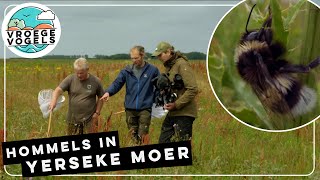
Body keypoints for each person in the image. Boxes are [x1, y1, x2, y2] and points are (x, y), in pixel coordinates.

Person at [100, 45, 160, 145]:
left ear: (142, 55)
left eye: (136, 58)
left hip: (145, 108)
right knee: (133, 135)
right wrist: (108, 92)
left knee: (142, 135)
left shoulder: (152, 70)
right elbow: (117, 83)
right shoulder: (127, 71)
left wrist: (154, 100)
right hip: (130, 108)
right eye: (132, 58)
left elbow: (159, 87)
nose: (134, 60)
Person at [152, 42, 198, 143]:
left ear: (168, 52)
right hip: (173, 112)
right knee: (163, 141)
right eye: (157, 56)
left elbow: (193, 89)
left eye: (160, 55)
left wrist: (176, 104)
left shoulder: (182, 64)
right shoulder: (170, 66)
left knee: (183, 145)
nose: (159, 58)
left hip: (184, 113)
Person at [49, 58, 104, 135]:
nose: (79, 75)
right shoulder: (70, 79)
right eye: (77, 73)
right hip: (72, 120)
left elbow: (101, 97)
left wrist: (97, 113)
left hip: (90, 120)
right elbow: (58, 90)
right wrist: (53, 101)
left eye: (81, 73)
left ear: (87, 69)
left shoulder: (96, 81)